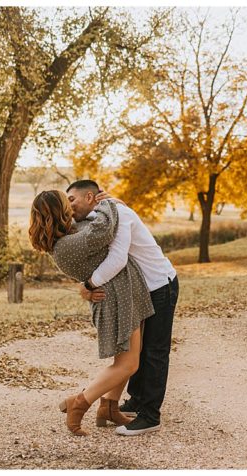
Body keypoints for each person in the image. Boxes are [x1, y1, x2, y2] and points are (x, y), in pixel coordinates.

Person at [29, 190, 155, 436]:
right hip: (115, 301)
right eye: (67, 203)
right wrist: (109, 202)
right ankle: (80, 402)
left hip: (123, 296)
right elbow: (104, 228)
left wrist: (112, 204)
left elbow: (95, 222)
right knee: (128, 364)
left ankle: (108, 407)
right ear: (59, 211)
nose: (72, 206)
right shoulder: (67, 245)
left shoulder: (71, 233)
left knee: (128, 358)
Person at [65, 180, 179, 436]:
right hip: (139, 290)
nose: (69, 206)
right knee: (137, 351)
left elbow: (117, 259)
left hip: (160, 284)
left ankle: (150, 416)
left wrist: (89, 284)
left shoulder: (119, 213)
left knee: (154, 353)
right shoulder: (100, 218)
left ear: (90, 196)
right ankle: (137, 401)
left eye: (72, 199)